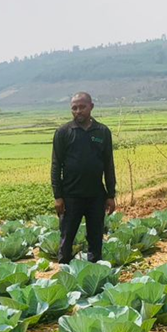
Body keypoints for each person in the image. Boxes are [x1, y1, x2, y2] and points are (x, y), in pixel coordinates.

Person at [50, 92, 117, 264]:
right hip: (71, 196)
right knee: (67, 237)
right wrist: (58, 196)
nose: (78, 111)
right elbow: (56, 165)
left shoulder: (102, 132)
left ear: (91, 107)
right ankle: (64, 272)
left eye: (82, 107)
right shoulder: (64, 132)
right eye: (74, 108)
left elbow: (108, 164)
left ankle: (94, 272)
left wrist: (110, 195)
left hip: (96, 196)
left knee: (95, 238)